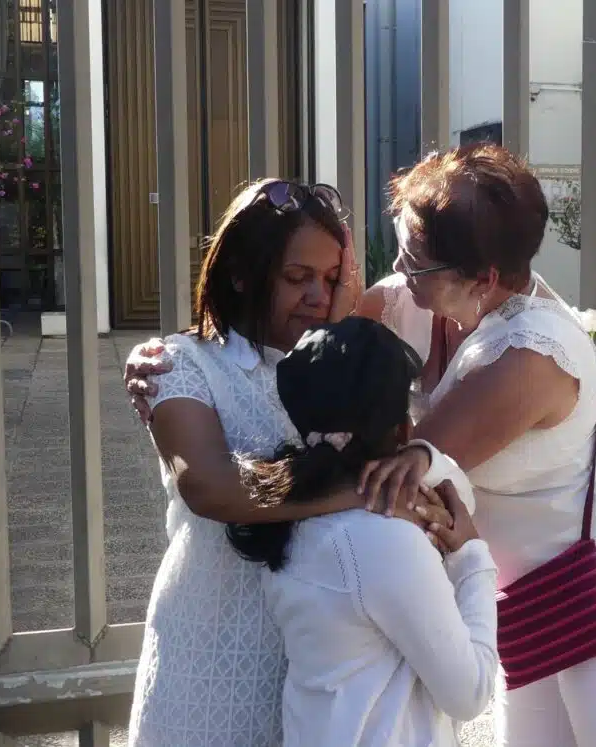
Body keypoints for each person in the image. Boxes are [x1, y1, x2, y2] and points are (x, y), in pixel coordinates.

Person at [126, 144, 596, 746]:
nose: (393, 266)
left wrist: (379, 498)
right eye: (399, 243)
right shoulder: (418, 296)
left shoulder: (531, 355)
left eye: (415, 259)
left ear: (482, 278)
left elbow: (399, 479)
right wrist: (168, 359)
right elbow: (332, 335)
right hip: (530, 605)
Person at [125, 179, 452, 747]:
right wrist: (360, 490)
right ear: (242, 274)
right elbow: (211, 488)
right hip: (212, 645)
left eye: (329, 280)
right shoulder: (180, 364)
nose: (317, 297)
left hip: (322, 666)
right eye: (297, 278)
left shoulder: (339, 364)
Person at [229, 316, 497, 747]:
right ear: (402, 427)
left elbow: (455, 489)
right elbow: (470, 692)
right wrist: (472, 559)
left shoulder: (294, 510)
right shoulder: (384, 540)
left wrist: (422, 458)